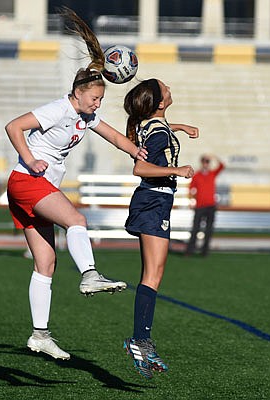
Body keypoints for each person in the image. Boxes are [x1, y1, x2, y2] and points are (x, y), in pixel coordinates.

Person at [5, 8, 148, 361]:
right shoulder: (59, 109)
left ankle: (40, 335)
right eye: (95, 98)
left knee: (46, 263)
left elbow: (114, 135)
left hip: (32, 187)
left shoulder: (86, 114)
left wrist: (136, 151)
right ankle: (90, 274)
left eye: (100, 100)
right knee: (78, 221)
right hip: (28, 182)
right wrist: (30, 157)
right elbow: (13, 126)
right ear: (79, 92)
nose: (98, 104)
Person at [122, 78, 199, 379]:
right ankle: (140, 342)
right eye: (165, 89)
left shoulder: (153, 125)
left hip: (154, 202)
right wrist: (176, 170)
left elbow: (157, 128)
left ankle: (141, 340)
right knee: (152, 276)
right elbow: (140, 168)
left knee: (154, 275)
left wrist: (180, 128)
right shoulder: (155, 131)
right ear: (159, 102)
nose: (170, 89)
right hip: (153, 202)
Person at [185, 154, 225, 256]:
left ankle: (204, 252)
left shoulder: (212, 173)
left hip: (211, 206)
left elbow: (222, 166)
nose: (206, 164)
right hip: (200, 207)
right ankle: (190, 251)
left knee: (208, 230)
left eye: (207, 162)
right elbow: (191, 189)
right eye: (204, 162)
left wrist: (214, 157)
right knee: (195, 229)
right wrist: (192, 201)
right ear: (202, 163)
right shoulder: (197, 175)